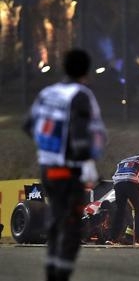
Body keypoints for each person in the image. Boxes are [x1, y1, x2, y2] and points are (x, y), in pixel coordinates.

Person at [22, 48, 107, 281]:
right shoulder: (80, 94)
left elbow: (29, 125)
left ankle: (51, 268)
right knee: (72, 225)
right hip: (69, 169)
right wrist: (86, 161)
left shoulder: (47, 93)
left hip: (48, 169)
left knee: (57, 218)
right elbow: (80, 132)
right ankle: (60, 274)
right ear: (86, 71)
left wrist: (49, 147)